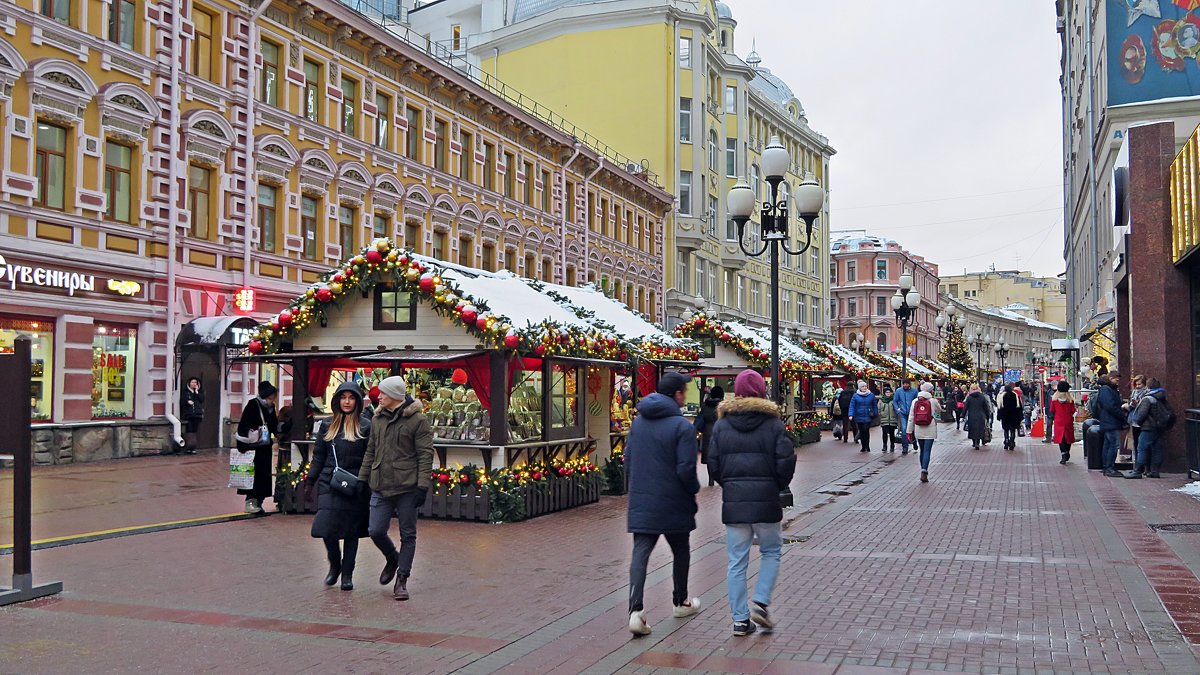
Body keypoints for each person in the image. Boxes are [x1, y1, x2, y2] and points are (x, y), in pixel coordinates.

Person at [706, 369, 796, 637]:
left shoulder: (722, 425)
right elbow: (786, 461)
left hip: (735, 503)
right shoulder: (773, 425)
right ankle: (761, 602)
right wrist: (776, 485)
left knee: (736, 561)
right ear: (761, 392)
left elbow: (713, 464)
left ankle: (739, 620)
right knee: (771, 551)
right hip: (766, 501)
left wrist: (730, 485)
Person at [625, 372, 702, 636]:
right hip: (674, 501)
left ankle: (636, 611)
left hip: (643, 499)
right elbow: (686, 468)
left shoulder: (638, 423)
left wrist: (633, 490)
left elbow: (629, 458)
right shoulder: (683, 427)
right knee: (681, 550)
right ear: (677, 394)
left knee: (640, 554)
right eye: (684, 392)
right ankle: (680, 601)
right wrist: (694, 489)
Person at [358, 376, 433, 601]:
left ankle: (402, 579)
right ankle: (392, 557)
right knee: (375, 530)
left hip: (407, 486)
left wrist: (422, 486)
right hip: (380, 484)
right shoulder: (377, 418)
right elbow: (371, 450)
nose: (378, 396)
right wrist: (363, 479)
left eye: (382, 393)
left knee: (408, 534)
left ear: (394, 396)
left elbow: (425, 454)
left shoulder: (417, 420)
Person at [304, 382, 372, 591]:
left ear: (358, 401)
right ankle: (335, 564)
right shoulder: (327, 424)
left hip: (355, 485)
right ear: (337, 400)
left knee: (351, 532)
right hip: (329, 483)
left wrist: (364, 481)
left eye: (351, 398)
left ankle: (347, 574)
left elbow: (370, 457)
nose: (347, 402)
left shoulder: (366, 426)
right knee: (327, 529)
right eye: (343, 397)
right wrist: (310, 481)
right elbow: (319, 456)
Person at [235, 381, 279, 514]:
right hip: (253, 447)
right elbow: (243, 425)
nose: (272, 401)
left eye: (273, 398)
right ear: (265, 396)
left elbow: (273, 425)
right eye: (270, 398)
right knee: (252, 475)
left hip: (264, 447)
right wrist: (242, 445)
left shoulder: (270, 408)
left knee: (263, 475)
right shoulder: (253, 405)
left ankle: (259, 501)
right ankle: (251, 501)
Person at [1127, 378, 1172, 478]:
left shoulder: (1148, 398)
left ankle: (1138, 471)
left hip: (1148, 427)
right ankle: (1155, 471)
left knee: (1141, 447)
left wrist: (1138, 422)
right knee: (1157, 448)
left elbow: (1141, 414)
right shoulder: (1161, 396)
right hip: (1159, 426)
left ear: (1148, 387)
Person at [906, 383, 943, 483]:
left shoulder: (915, 401)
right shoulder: (933, 401)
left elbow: (911, 418)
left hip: (918, 428)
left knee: (922, 450)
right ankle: (924, 470)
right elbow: (939, 411)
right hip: (930, 428)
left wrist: (909, 431)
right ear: (931, 390)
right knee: (927, 451)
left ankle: (922, 468)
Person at [1092, 372, 1126, 477]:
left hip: (1108, 421)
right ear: (1111, 378)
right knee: (1113, 445)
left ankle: (1107, 467)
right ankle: (1109, 467)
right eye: (1116, 380)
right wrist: (1122, 416)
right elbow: (1110, 406)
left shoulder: (1107, 389)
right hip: (1110, 421)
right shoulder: (1106, 390)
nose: (1118, 382)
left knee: (1108, 444)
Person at [693, 385, 725, 487]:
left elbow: (699, 420)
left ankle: (711, 479)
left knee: (708, 457)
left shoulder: (705, 406)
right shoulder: (723, 406)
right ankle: (720, 478)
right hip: (721, 432)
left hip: (707, 433)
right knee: (721, 456)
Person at [1049, 380, 1077, 464]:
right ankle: (1067, 452)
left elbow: (1051, 410)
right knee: (1068, 438)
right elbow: (1073, 410)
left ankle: (1063, 454)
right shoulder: (1070, 400)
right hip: (1068, 420)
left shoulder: (1054, 400)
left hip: (1058, 420)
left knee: (1061, 439)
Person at [847, 381, 878, 453]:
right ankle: (863, 446)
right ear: (860, 388)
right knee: (861, 431)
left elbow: (874, 405)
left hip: (868, 415)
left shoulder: (871, 395)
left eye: (865, 386)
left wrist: (875, 413)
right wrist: (850, 414)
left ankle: (867, 446)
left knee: (866, 430)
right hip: (859, 416)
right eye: (863, 386)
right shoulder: (855, 396)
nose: (865, 388)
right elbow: (852, 406)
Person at [892, 379, 918, 455]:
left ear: (909, 384)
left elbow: (917, 401)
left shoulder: (914, 391)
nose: (905, 385)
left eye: (907, 384)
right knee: (904, 430)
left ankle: (914, 441)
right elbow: (895, 401)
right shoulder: (899, 391)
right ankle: (905, 447)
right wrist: (897, 410)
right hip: (902, 413)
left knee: (911, 429)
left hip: (911, 413)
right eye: (904, 384)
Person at [179, 376, 204, 454]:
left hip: (197, 415)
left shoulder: (198, 392)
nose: (194, 384)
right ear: (189, 383)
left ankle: (193, 447)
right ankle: (188, 447)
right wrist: (187, 402)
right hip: (189, 415)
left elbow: (202, 400)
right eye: (192, 382)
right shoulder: (186, 392)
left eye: (195, 382)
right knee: (189, 430)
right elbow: (182, 401)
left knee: (194, 430)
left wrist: (196, 392)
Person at [964, 384, 991, 449]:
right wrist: (987, 415)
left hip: (972, 415)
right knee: (979, 429)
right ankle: (977, 443)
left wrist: (963, 414)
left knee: (973, 429)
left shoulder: (969, 397)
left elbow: (966, 407)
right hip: (981, 415)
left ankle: (974, 442)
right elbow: (986, 407)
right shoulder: (982, 397)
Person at [998, 383, 1023, 451]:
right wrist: (1020, 416)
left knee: (1006, 430)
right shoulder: (1015, 395)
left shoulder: (1002, 396)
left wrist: (999, 416)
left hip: (1005, 416)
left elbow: (1000, 407)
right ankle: (1012, 441)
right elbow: (1019, 407)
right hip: (1014, 416)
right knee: (1012, 430)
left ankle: (1006, 441)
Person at [1127, 374, 1148, 452]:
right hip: (1134, 419)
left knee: (1141, 442)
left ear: (1144, 384)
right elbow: (1131, 404)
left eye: (1139, 384)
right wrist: (1131, 404)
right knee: (1135, 440)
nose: (1138, 386)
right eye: (1136, 384)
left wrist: (1137, 404)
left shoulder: (1146, 392)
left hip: (1142, 419)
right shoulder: (1134, 392)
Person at [877, 386, 899, 453]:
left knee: (892, 433)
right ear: (884, 393)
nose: (888, 393)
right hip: (884, 419)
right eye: (887, 392)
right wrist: (880, 413)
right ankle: (884, 445)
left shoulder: (893, 400)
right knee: (884, 433)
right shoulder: (881, 400)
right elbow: (879, 408)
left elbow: (896, 407)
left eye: (889, 392)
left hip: (892, 419)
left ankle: (892, 445)